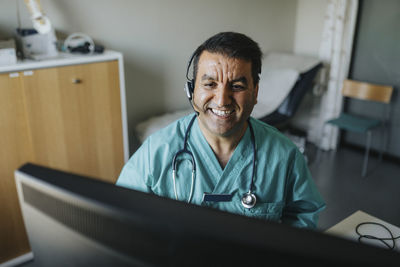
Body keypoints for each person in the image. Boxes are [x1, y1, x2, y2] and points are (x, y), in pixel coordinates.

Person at [117, 32, 325, 229]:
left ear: (255, 92)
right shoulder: (156, 152)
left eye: (236, 86)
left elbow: (302, 218)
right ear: (191, 90)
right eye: (210, 84)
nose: (222, 100)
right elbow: (123, 218)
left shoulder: (284, 156)